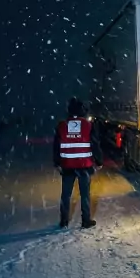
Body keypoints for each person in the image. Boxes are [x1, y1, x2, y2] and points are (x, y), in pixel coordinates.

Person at [54, 98, 103, 229]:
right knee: (85, 194)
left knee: (66, 195)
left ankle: (63, 221)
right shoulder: (88, 125)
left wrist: (57, 163)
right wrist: (99, 161)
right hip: (84, 166)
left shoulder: (61, 126)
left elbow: (56, 146)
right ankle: (86, 220)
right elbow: (94, 144)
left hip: (67, 166)